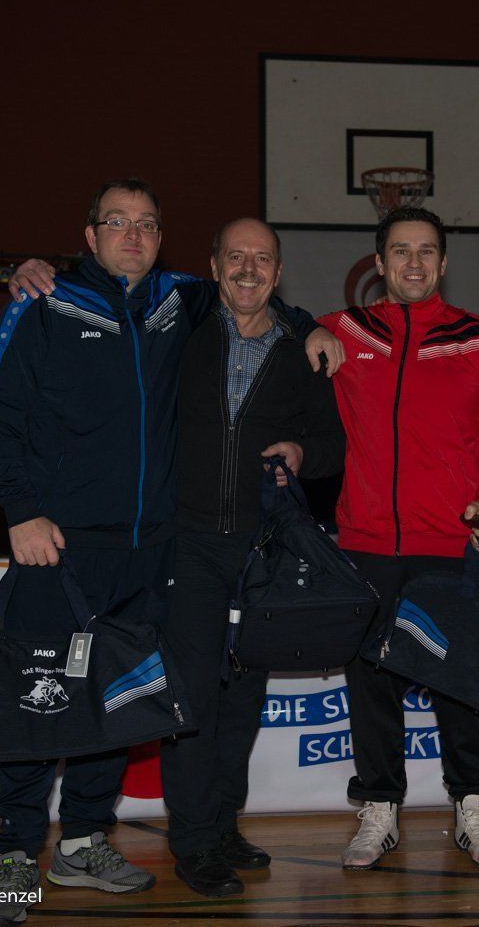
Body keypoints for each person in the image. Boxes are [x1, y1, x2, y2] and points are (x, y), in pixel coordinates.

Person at [0, 179, 341, 926]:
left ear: (163, 240)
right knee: (38, 694)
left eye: (147, 224)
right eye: (118, 222)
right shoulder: (42, 303)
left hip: (150, 550)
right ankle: (14, 852)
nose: (133, 235)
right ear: (90, 236)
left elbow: (256, 295)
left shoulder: (178, 302)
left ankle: (83, 839)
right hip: (58, 542)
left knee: (120, 702)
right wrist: (20, 510)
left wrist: (311, 327)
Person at [317, 207, 479, 871]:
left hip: (451, 544)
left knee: (464, 684)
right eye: (401, 251)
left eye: (426, 251)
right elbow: (261, 317)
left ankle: (473, 805)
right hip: (366, 543)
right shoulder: (341, 331)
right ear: (379, 264)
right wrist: (302, 332)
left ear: (443, 263)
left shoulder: (478, 340)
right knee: (372, 684)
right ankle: (379, 808)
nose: (414, 263)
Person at [161, 217, 344, 896]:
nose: (247, 269)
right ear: (213, 265)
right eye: (235, 257)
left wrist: (302, 453)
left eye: (261, 259)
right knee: (193, 699)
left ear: (278, 270)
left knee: (242, 698)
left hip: (261, 552)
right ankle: (193, 842)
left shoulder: (302, 351)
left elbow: (332, 447)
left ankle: (222, 825)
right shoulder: (178, 330)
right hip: (188, 545)